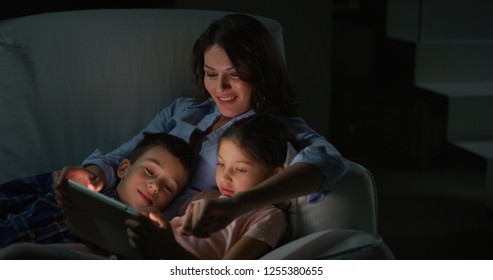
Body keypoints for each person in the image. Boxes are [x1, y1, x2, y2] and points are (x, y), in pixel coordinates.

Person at [2, 13, 347, 245]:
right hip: (106, 199)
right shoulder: (183, 110)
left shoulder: (275, 129)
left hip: (141, 230)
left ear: (261, 72)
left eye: (235, 74)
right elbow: (128, 154)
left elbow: (328, 162)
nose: (221, 87)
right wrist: (92, 174)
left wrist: (238, 204)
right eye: (211, 74)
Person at [0, 113, 293, 260]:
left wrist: (164, 250)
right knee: (23, 253)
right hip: (125, 254)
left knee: (20, 256)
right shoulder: (207, 196)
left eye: (239, 169)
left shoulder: (268, 216)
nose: (225, 177)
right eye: (220, 164)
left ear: (275, 175)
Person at [0, 133, 193, 247]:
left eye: (168, 187)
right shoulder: (73, 184)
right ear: (124, 168)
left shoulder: (130, 241)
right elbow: (10, 194)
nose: (155, 186)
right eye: (150, 171)